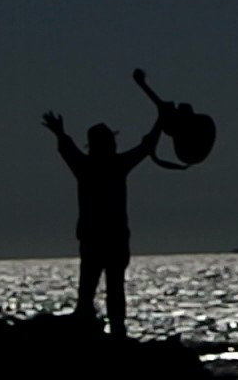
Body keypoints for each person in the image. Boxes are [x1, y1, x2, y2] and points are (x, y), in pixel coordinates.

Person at [42, 79, 164, 337]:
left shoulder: (85, 166)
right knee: (113, 287)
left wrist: (60, 132)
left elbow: (67, 148)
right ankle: (117, 332)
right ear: (109, 144)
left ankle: (91, 326)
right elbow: (146, 147)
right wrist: (160, 121)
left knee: (88, 287)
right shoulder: (116, 165)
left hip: (92, 238)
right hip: (113, 238)